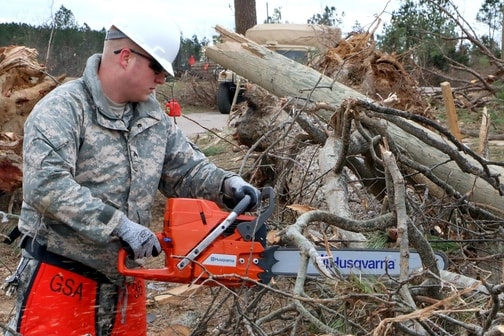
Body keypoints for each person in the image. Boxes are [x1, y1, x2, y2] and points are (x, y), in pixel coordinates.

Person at [2, 10, 260, 336]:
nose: (162, 79)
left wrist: (228, 185)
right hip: (61, 280)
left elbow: (184, 170)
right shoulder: (64, 108)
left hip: (126, 284)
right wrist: (119, 225)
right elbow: (46, 186)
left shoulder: (153, 118)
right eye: (156, 67)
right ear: (125, 57)